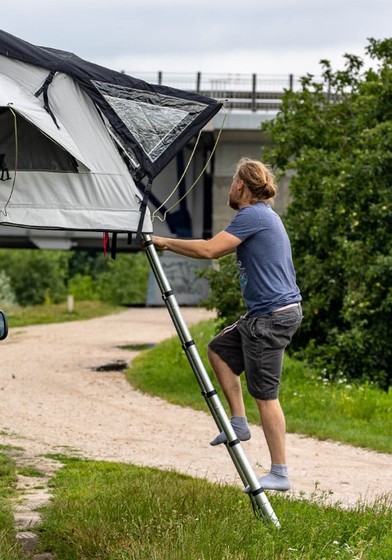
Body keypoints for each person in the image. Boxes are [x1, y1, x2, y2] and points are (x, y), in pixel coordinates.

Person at [150, 157, 302, 492]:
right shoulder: (261, 216)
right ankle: (238, 423)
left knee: (266, 395)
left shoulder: (253, 215)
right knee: (219, 350)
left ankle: (279, 472)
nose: (230, 187)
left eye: (234, 180)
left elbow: (209, 250)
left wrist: (163, 241)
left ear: (242, 186)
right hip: (267, 314)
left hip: (272, 317)